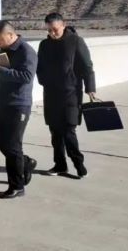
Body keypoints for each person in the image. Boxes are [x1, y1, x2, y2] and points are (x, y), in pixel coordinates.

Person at [0, 20, 38, 199]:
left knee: (13, 146)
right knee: (0, 140)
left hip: (19, 103)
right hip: (4, 101)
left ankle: (17, 186)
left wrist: (0, 70)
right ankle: (26, 162)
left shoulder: (27, 51)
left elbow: (26, 76)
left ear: (10, 35)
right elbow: (6, 70)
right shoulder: (5, 49)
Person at [37, 12, 95, 178]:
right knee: (55, 132)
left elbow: (87, 66)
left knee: (69, 131)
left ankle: (79, 164)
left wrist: (90, 88)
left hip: (71, 94)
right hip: (51, 94)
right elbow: (39, 67)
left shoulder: (75, 41)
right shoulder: (44, 44)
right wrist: (44, 81)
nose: (52, 33)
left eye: (55, 29)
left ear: (63, 25)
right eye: (49, 30)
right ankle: (60, 165)